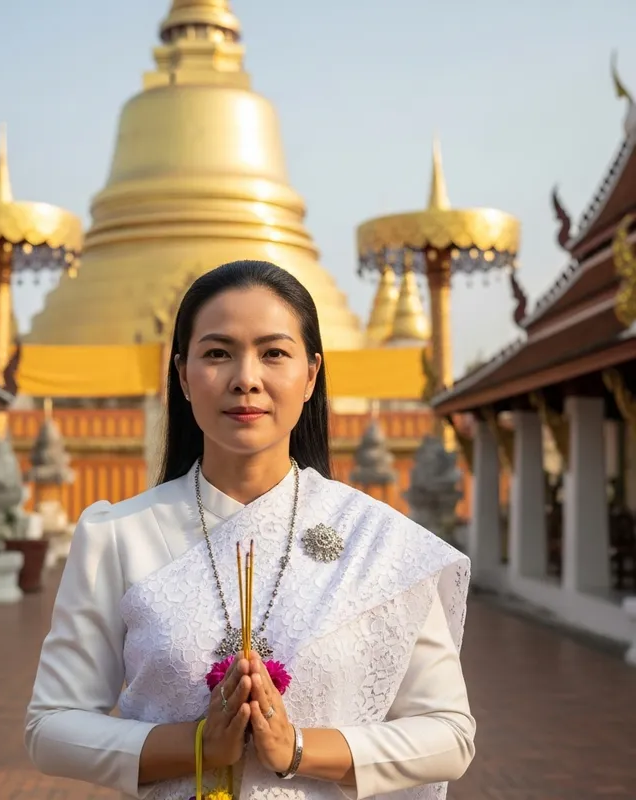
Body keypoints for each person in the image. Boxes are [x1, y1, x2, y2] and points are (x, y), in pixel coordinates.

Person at [25, 260, 475, 800]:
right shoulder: (118, 536)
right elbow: (50, 727)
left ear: (310, 376)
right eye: (217, 353)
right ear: (184, 377)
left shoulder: (380, 543)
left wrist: (298, 748)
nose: (246, 378)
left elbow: (450, 735)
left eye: (273, 353)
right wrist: (195, 745)